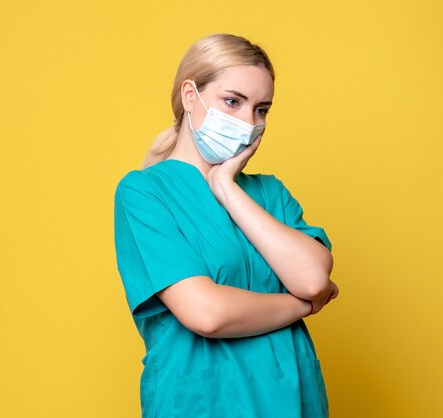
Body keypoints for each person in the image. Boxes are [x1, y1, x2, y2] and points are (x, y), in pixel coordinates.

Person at [113, 33, 340, 418]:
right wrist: (302, 306)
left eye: (261, 109)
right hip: (202, 402)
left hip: (292, 399)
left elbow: (315, 280)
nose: (248, 122)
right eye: (232, 101)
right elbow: (206, 313)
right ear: (190, 95)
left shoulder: (269, 193)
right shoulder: (144, 192)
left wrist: (226, 187)